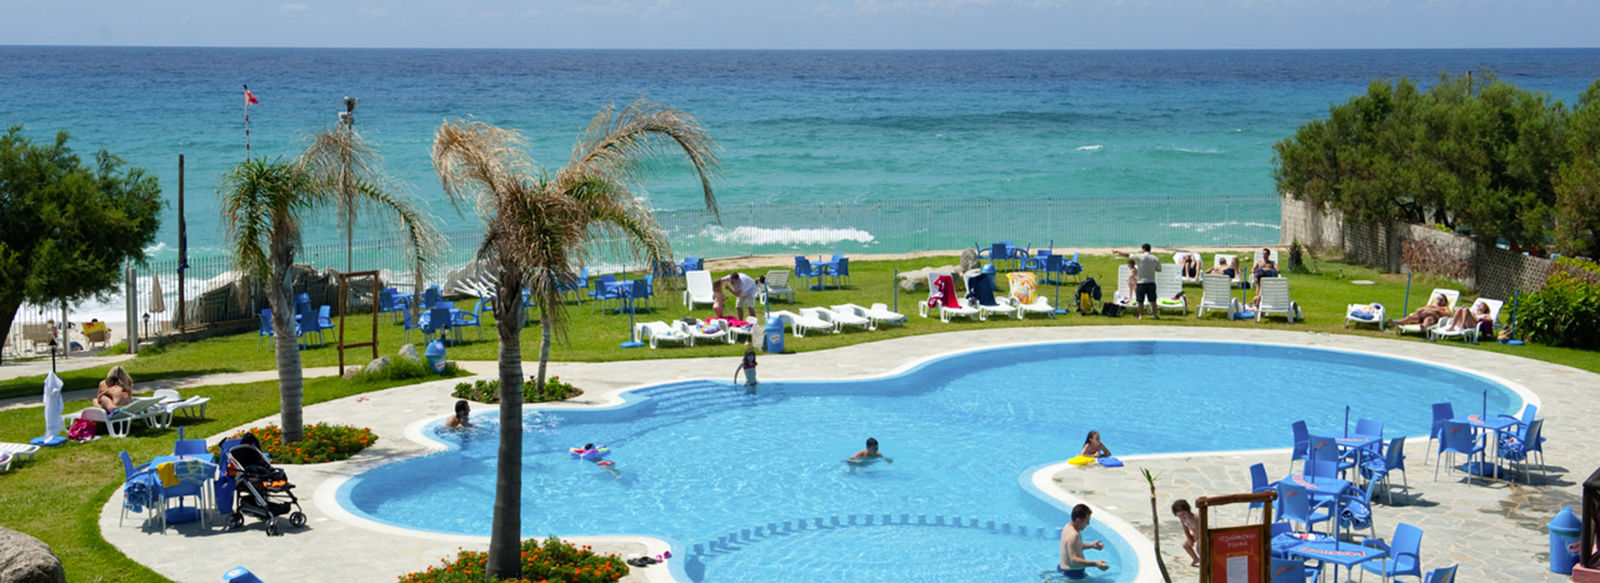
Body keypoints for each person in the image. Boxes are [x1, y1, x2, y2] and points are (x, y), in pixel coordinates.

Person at [1058, 503, 1109, 578]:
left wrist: (1091, 545)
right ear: (1078, 521)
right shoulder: (1074, 535)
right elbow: (1073, 560)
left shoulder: (1067, 527)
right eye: (1087, 521)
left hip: (1063, 569)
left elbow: (1073, 547)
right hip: (1073, 575)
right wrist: (1095, 564)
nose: (1088, 523)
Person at [1116, 243, 1162, 320]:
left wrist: (1118, 251)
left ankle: (1140, 315)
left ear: (1143, 249)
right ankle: (1155, 315)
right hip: (1151, 282)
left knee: (1140, 301)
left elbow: (1128, 255)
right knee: (1153, 300)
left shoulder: (1140, 257)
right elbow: (1159, 269)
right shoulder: (1155, 258)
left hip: (1141, 282)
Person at [1172, 499, 1201, 567]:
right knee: (1185, 545)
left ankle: (1206, 561)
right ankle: (1196, 559)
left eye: (1183, 514)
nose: (1182, 517)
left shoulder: (1195, 519)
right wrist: (1189, 538)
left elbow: (1200, 531)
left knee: (1199, 549)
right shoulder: (1183, 519)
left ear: (1188, 511)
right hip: (1194, 534)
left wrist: (1195, 540)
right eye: (1179, 516)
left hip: (1202, 535)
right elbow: (1186, 530)